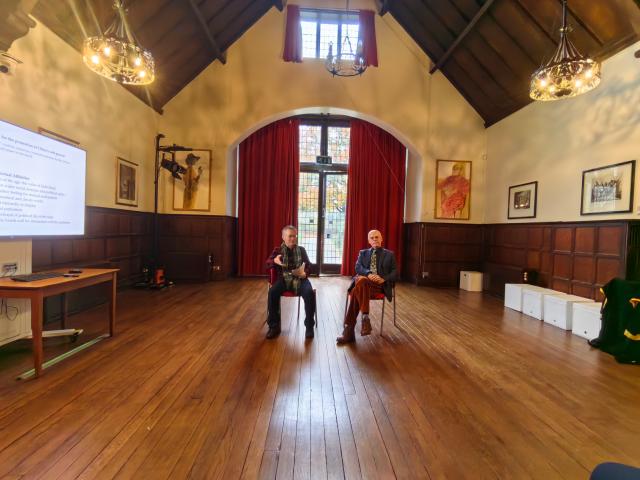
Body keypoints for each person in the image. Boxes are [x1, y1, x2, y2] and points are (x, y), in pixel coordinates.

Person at [337, 229, 397, 344]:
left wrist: (384, 278)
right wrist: (368, 274)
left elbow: (395, 273)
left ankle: (349, 331)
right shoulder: (363, 253)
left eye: (377, 237)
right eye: (372, 238)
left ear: (381, 238)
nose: (375, 239)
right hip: (365, 283)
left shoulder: (389, 254)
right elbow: (358, 267)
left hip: (379, 285)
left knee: (356, 290)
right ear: (369, 241)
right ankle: (365, 318)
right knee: (363, 280)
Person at [266, 225, 316, 339]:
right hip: (283, 279)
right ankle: (274, 327)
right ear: (283, 237)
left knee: (309, 293)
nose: (293, 238)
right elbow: (267, 263)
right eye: (290, 236)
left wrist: (305, 273)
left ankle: (309, 327)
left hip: (300, 279)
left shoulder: (301, 250)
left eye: (294, 236)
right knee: (272, 292)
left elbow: (309, 266)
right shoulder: (278, 250)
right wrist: (274, 261)